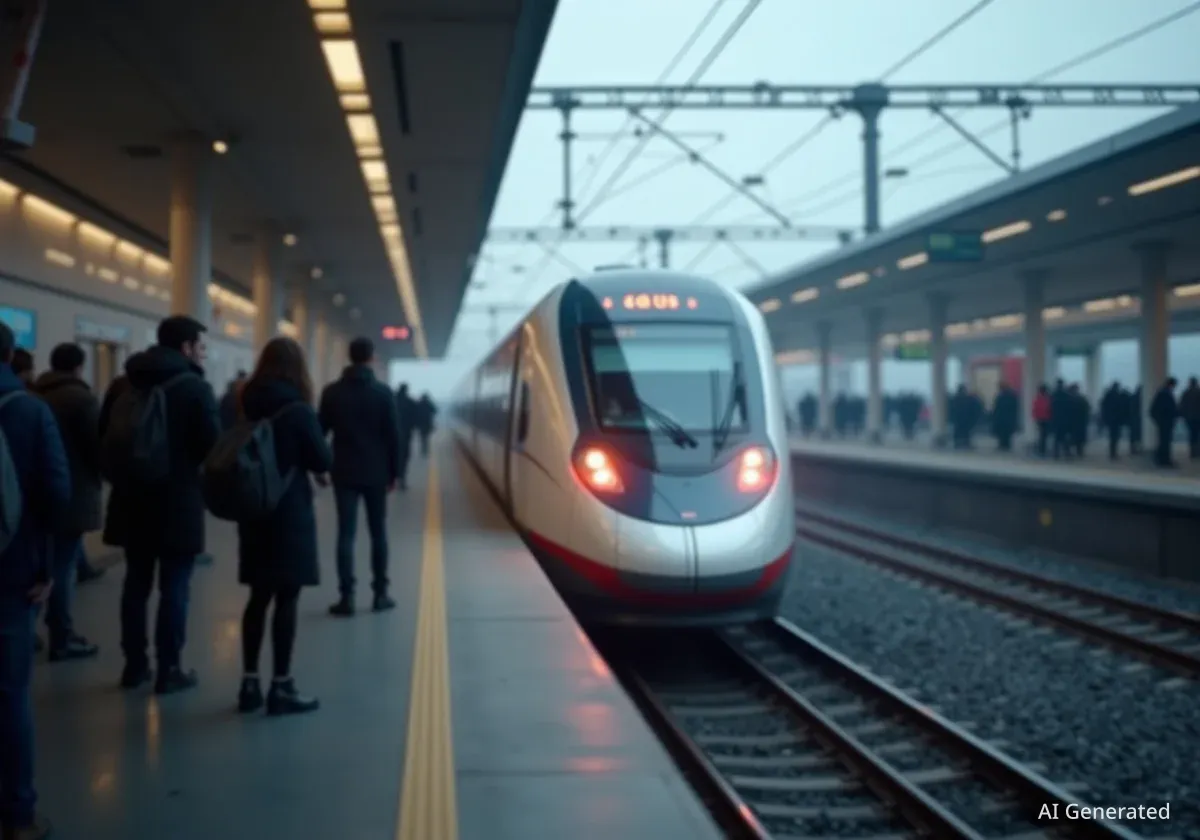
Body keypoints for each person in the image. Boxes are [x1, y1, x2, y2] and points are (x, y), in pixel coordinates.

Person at [99, 316, 221, 693]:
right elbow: (212, 447)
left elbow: (104, 437)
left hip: (130, 499)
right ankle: (169, 669)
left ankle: (134, 666)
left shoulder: (123, 384)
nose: (201, 353)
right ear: (185, 347)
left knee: (135, 584)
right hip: (177, 503)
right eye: (199, 346)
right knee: (175, 587)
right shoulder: (194, 388)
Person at [0, 322, 71, 840]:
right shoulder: (29, 411)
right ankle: (18, 816)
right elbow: (55, 494)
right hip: (12, 571)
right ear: (11, 355)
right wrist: (46, 567)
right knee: (10, 695)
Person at [234, 338, 331, 716]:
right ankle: (281, 686)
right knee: (287, 597)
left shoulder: (245, 401)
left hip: (253, 507)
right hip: (289, 512)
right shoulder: (298, 410)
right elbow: (322, 459)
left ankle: (249, 684)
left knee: (258, 597)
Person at [319, 337, 402, 616]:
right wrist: (394, 473)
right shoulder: (383, 393)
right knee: (378, 533)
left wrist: (320, 467)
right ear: (371, 358)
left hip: (343, 471)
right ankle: (380, 594)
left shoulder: (332, 393)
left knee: (346, 534)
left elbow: (320, 432)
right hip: (376, 473)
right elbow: (393, 437)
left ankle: (347, 598)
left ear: (349, 356)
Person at [32, 343, 103, 662]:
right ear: (79, 366)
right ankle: (61, 636)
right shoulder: (81, 399)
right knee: (63, 568)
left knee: (40, 565)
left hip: (37, 493)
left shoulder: (34, 395)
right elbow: (96, 447)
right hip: (73, 494)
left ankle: (27, 628)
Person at [1148, 377, 1179, 467]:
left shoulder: (1162, 393)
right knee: (1165, 441)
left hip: (1163, 421)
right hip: (1166, 421)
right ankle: (1164, 460)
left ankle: (1161, 459)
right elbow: (1169, 409)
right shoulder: (1166, 394)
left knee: (1163, 441)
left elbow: (1154, 409)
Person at [394, 383, 416, 490]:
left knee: (393, 456)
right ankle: (402, 478)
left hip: (392, 434)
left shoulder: (392, 400)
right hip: (406, 434)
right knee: (404, 457)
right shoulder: (410, 402)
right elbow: (415, 417)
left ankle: (393, 478)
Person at [1099, 381, 1127, 460]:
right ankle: (1113, 453)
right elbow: (1121, 408)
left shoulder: (1108, 395)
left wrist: (1104, 418)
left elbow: (1103, 407)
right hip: (1116, 420)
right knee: (1115, 437)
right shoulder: (1117, 395)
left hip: (1111, 419)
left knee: (1113, 437)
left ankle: (1112, 453)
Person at [991, 383, 1019, 452]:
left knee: (1002, 432)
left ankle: (1003, 444)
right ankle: (1006, 444)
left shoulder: (1001, 396)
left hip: (1002, 417)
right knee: (1007, 433)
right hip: (1008, 418)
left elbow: (997, 408)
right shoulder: (1012, 396)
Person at [1180, 376, 1200, 459]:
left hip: (1188, 418)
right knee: (1197, 435)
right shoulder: (1198, 392)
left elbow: (1182, 405)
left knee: (1191, 435)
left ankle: (1193, 452)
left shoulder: (1186, 393)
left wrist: (1183, 416)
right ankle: (1196, 452)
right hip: (1198, 417)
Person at [1031, 384, 1052, 457]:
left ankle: (1041, 449)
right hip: (1046, 419)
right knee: (1044, 435)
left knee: (1042, 435)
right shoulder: (1048, 399)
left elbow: (1035, 409)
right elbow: (1049, 408)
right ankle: (1043, 449)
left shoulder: (1037, 398)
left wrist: (1035, 417)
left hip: (1040, 419)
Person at [415, 392, 436, 456]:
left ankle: (423, 449)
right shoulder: (429, 404)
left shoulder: (419, 404)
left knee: (422, 437)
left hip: (421, 423)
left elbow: (415, 412)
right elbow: (434, 410)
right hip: (427, 423)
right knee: (426, 437)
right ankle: (425, 449)